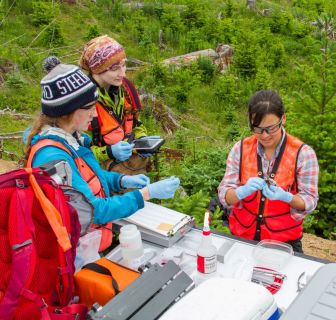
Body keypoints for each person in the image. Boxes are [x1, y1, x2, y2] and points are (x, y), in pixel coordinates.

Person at [24, 58, 180, 252]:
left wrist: (122, 181)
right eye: (90, 108)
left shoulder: (71, 141)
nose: (95, 115)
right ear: (68, 111)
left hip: (89, 246)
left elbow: (88, 177)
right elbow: (93, 209)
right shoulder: (52, 157)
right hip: (72, 256)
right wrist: (147, 193)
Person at [217, 90, 319, 253]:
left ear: (283, 119)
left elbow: (310, 200)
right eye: (257, 129)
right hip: (242, 238)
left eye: (271, 128)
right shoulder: (241, 148)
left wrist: (288, 197)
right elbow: (224, 194)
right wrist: (240, 192)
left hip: (283, 244)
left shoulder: (303, 154)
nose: (264, 135)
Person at [79, 35, 151, 174]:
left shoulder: (125, 89)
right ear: (97, 69)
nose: (122, 73)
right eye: (115, 68)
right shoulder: (83, 101)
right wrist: (109, 152)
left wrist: (142, 139)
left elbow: (135, 123)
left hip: (132, 166)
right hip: (100, 173)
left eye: (124, 65)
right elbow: (77, 152)